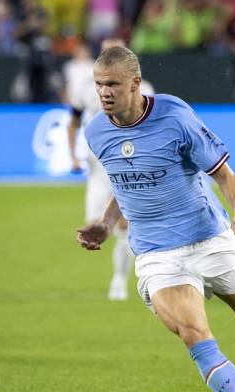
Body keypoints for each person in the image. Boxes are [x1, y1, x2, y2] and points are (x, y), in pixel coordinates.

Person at [76, 46, 235, 392]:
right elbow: (123, 184)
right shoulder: (96, 132)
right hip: (159, 257)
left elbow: (225, 175)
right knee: (195, 332)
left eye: (112, 85)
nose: (103, 93)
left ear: (135, 83)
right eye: (98, 85)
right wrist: (106, 225)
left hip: (210, 240)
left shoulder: (175, 117)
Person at [65, 37, 154, 301]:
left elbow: (150, 125)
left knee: (124, 226)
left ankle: (121, 280)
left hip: (127, 165)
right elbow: (72, 121)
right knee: (95, 225)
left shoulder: (143, 86)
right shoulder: (86, 88)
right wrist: (72, 156)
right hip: (97, 171)